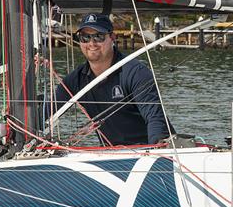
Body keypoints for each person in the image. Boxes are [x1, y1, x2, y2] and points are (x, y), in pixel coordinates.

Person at [51, 13, 171, 145]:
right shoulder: (76, 79)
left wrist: (157, 148)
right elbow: (50, 110)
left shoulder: (135, 72)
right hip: (111, 156)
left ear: (112, 38)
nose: (92, 43)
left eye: (99, 36)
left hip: (147, 152)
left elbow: (154, 117)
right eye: (85, 37)